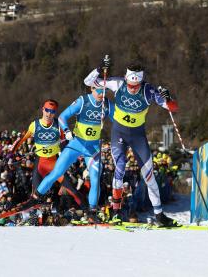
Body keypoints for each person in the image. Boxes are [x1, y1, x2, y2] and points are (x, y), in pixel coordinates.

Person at [86, 58, 179, 227]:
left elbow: (172, 108)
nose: (132, 88)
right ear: (126, 78)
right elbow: (89, 82)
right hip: (119, 133)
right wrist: (99, 69)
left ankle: (159, 215)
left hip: (138, 136)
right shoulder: (118, 84)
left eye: (135, 86)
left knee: (149, 175)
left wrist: (168, 97)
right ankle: (115, 211)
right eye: (130, 84)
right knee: (120, 166)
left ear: (141, 81)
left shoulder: (148, 91)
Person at [31, 81, 110, 221]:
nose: (101, 94)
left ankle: (92, 211)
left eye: (104, 91)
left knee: (95, 178)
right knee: (57, 172)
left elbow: (120, 117)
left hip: (93, 148)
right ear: (92, 89)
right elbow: (62, 117)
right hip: (76, 144)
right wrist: (67, 131)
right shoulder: (83, 101)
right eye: (98, 91)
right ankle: (36, 197)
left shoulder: (106, 104)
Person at [10, 99, 86, 209]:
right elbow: (22, 139)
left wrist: (71, 144)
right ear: (43, 110)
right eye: (47, 110)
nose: (49, 114)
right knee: (36, 195)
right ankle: (33, 216)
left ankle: (89, 213)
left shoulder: (58, 125)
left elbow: (65, 144)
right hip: (40, 164)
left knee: (72, 190)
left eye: (52, 111)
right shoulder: (34, 125)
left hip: (55, 163)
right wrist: (10, 153)